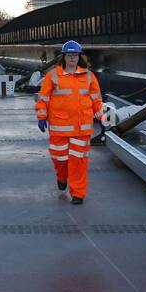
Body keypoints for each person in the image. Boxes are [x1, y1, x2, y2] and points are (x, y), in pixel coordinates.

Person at [34, 40, 104, 204]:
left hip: (82, 129)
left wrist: (103, 119)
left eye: (75, 55)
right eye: (69, 55)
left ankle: (78, 193)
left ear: (79, 56)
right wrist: (41, 117)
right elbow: (43, 99)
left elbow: (97, 101)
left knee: (78, 161)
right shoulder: (53, 76)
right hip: (59, 128)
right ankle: (61, 176)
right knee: (60, 159)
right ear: (64, 57)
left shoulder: (89, 76)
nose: (72, 58)